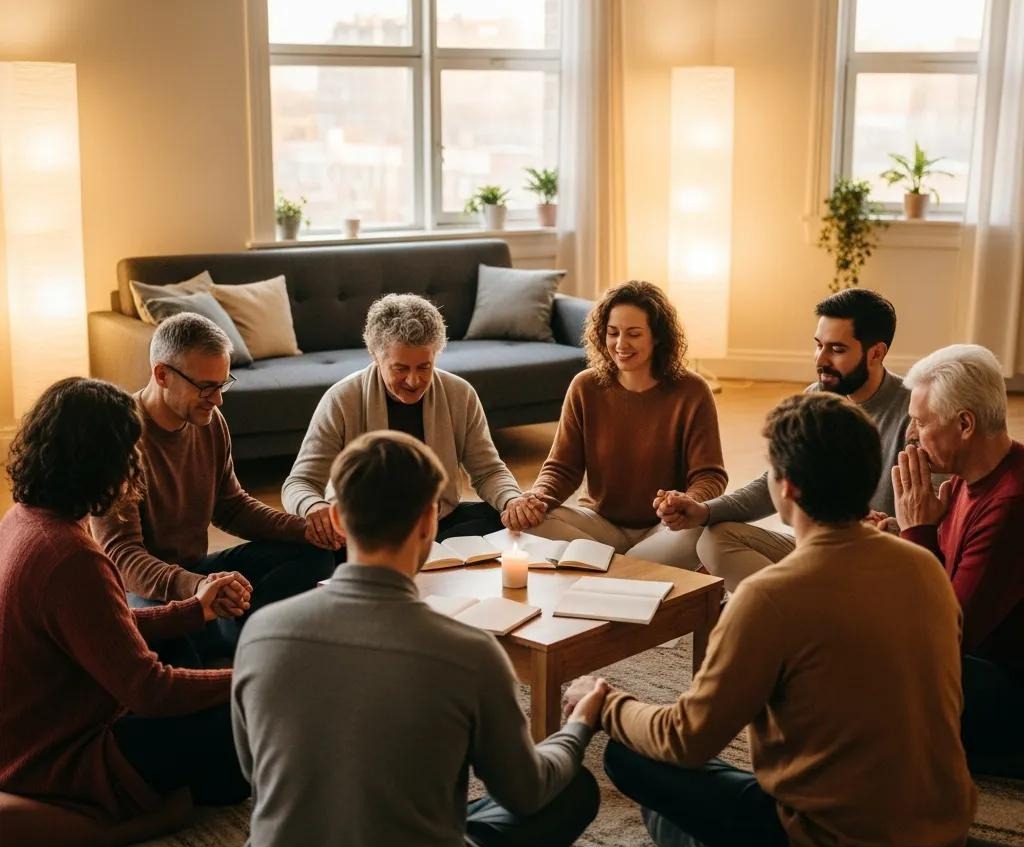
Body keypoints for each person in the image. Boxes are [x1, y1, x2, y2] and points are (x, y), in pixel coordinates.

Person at [564, 393, 975, 847]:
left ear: (786, 488)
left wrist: (605, 703)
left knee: (628, 755)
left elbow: (685, 740)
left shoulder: (768, 596)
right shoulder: (925, 567)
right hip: (946, 829)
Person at [234, 431, 603, 847]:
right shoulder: (469, 652)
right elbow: (524, 792)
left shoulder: (260, 633)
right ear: (431, 521)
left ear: (337, 519)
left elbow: (256, 772)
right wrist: (578, 726)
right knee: (573, 788)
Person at [0, 378, 248, 823]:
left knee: (180, 650)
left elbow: (100, 628)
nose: (138, 464)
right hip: (59, 758)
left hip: (28, 735)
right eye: (132, 453)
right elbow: (150, 690)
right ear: (105, 462)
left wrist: (195, 610)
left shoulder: (25, 518)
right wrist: (252, 677)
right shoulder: (71, 558)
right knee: (242, 719)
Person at [92, 313, 333, 665]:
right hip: (141, 588)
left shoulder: (208, 420)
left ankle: (240, 639)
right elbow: (123, 557)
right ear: (162, 374)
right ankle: (227, 642)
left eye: (223, 385)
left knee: (314, 554)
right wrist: (196, 588)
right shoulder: (118, 439)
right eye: (206, 387)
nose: (217, 400)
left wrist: (309, 528)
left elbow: (232, 507)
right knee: (169, 640)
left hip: (194, 572)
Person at [662, 288, 909, 592]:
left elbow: (932, 519)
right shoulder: (816, 397)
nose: (821, 359)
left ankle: (790, 608)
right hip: (815, 549)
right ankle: (795, 607)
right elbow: (779, 481)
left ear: (876, 353)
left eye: (837, 349)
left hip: (875, 562)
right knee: (716, 537)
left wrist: (889, 530)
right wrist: (705, 510)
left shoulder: (914, 414)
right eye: (818, 346)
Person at [873, 344, 1023, 778]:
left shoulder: (1011, 502)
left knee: (869, 664)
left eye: (920, 422)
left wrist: (917, 533)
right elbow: (948, 582)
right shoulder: (966, 477)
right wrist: (908, 537)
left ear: (965, 424)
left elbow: (945, 634)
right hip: (976, 657)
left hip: (1007, 686)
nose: (911, 436)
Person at [283, 293, 533, 550]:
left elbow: (488, 471)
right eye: (400, 368)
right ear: (375, 357)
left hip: (435, 525)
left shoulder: (460, 394)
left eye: (424, 367)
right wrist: (315, 507)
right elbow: (300, 483)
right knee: (308, 552)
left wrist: (512, 501)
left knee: (503, 520)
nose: (414, 381)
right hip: (362, 535)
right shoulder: (341, 399)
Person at [505, 280, 726, 570]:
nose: (621, 345)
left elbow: (710, 476)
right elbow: (562, 468)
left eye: (634, 334)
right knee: (534, 521)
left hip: (666, 528)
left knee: (705, 531)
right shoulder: (585, 386)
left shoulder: (692, 391)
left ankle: (603, 567)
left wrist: (688, 502)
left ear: (657, 337)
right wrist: (535, 498)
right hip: (599, 524)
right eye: (613, 333)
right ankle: (638, 569)